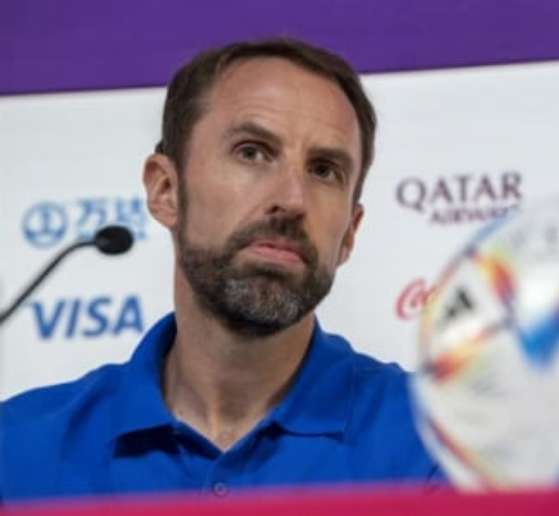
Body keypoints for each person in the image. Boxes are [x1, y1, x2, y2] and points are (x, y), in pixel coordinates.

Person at [0, 38, 441, 502]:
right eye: (252, 152)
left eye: (325, 170)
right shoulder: (17, 452)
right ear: (166, 189)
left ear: (349, 232)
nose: (293, 200)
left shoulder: (441, 446)